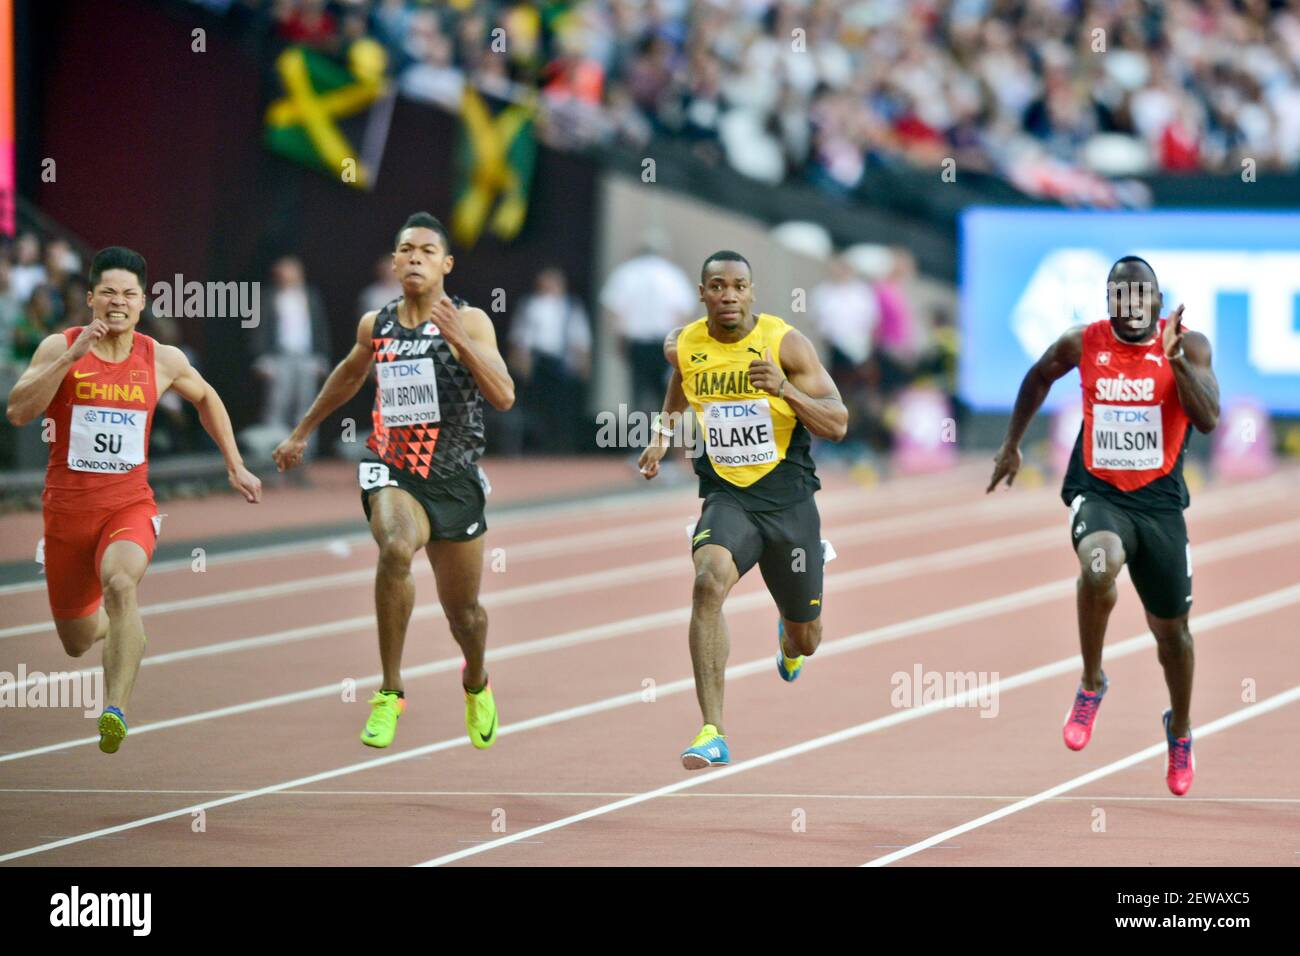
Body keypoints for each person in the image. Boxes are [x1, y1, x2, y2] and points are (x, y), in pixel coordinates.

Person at [272, 212, 514, 751]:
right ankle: (390, 690)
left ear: (446, 265)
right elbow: (349, 374)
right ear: (393, 260)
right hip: (393, 468)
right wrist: (302, 430)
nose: (414, 259)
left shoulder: (470, 322)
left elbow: (503, 396)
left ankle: (475, 679)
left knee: (466, 616)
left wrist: (462, 343)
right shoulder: (375, 324)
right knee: (396, 548)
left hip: (453, 480)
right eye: (405, 250)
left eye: (427, 251)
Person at [5, 246, 262, 753]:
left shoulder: (161, 358)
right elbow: (18, 410)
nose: (117, 302)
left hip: (129, 506)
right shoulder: (61, 345)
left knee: (122, 583)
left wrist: (234, 462)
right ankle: (127, 633)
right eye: (108, 293)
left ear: (142, 302)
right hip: (66, 514)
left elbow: (207, 397)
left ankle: (114, 708)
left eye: (128, 294)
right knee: (77, 640)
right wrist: (70, 359)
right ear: (91, 298)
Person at [987, 255, 1220, 796]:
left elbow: (1208, 419)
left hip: (1161, 504)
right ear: (1108, 301)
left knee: (1173, 637)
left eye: (1142, 295)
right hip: (1099, 492)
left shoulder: (1190, 345)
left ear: (1159, 303)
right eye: (1121, 294)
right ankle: (1092, 681)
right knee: (1100, 565)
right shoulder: (1082, 342)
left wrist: (1176, 363)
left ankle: (1180, 730)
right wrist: (1012, 443)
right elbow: (1039, 374)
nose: (1132, 304)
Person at [638, 250, 847, 769]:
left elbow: (838, 423)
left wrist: (785, 389)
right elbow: (681, 383)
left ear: (751, 293)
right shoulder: (686, 343)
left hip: (789, 501)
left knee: (808, 638)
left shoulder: (784, 344)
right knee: (707, 582)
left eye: (737, 286)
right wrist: (662, 437)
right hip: (728, 496)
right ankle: (712, 730)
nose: (727, 295)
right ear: (702, 293)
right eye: (716, 286)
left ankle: (789, 634)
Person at [600, 236, 695, 415]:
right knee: (666, 393)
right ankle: (664, 437)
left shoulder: (626, 273)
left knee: (638, 392)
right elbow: (683, 313)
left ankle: (638, 438)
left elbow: (615, 311)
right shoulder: (672, 274)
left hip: (637, 342)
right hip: (665, 341)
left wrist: (619, 340)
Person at [251, 255, 331, 455]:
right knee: (277, 406)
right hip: (279, 358)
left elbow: (320, 327)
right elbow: (260, 329)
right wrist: (262, 359)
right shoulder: (268, 296)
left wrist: (321, 357)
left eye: (290, 270)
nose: (286, 275)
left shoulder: (310, 296)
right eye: (282, 271)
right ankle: (273, 452)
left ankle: (304, 454)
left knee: (308, 409)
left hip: (306, 358)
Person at [508, 266, 592, 453]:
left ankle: (563, 445)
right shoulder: (531, 305)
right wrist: (522, 361)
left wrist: (583, 363)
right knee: (537, 406)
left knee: (562, 406)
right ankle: (538, 445)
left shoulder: (570, 306)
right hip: (540, 361)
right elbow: (522, 336)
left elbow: (580, 338)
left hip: (562, 362)